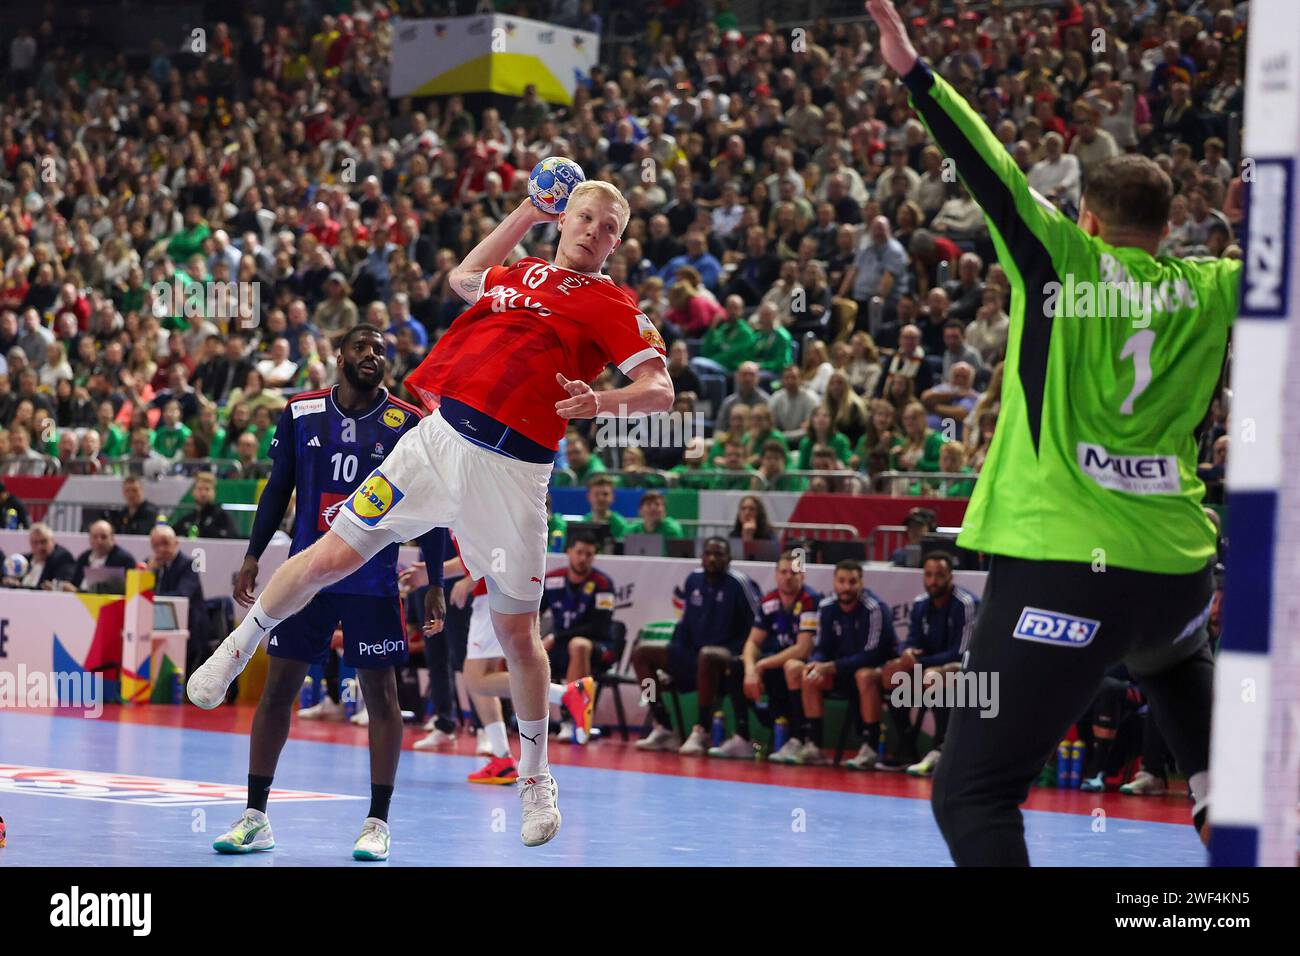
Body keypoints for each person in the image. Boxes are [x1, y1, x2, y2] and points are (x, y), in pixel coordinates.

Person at [187, 183, 673, 849]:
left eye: (607, 226)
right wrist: (529, 211)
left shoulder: (613, 304)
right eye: (583, 216)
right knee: (330, 553)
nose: (592, 230)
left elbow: (660, 390)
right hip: (436, 443)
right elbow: (463, 276)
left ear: (617, 241)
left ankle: (535, 778)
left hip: (513, 473)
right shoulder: (520, 272)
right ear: (567, 220)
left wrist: (602, 403)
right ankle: (236, 648)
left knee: (517, 638)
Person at [869, 0, 1239, 864]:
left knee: (973, 795)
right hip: (1181, 577)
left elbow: (988, 166)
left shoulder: (1062, 259)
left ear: (1091, 220)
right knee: (1187, 699)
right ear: (1170, 223)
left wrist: (915, 71)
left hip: (1066, 575)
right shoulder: (1217, 285)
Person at [194, 324, 448, 862]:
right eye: (361, 347)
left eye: (381, 351)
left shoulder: (409, 423)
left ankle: (377, 823)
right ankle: (255, 816)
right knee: (279, 688)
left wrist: (433, 579)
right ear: (338, 356)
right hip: (306, 574)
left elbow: (427, 506)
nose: (371, 356)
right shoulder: (302, 411)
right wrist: (253, 553)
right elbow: (277, 486)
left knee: (382, 697)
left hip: (372, 579)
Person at [632, 537, 760, 753]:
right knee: (641, 654)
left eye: (718, 554)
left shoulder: (739, 583)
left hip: (727, 655)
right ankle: (663, 724)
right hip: (693, 654)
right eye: (708, 554)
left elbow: (757, 626)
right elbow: (685, 623)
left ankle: (702, 731)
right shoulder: (694, 580)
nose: (712, 559)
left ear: (729, 559)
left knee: (706, 654)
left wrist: (741, 656)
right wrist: (674, 657)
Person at [786, 560, 897, 768]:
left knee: (863, 675)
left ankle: (870, 748)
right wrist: (817, 663)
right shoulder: (827, 607)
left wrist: (830, 667)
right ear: (834, 583)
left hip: (871, 672)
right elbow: (821, 647)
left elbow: (872, 654)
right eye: (842, 581)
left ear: (861, 583)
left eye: (852, 582)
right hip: (839, 671)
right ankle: (814, 745)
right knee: (808, 675)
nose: (846, 587)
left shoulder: (874, 609)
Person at [878, 552, 979, 775]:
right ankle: (906, 747)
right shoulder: (920, 604)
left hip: (970, 672)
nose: (933, 581)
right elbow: (913, 639)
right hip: (928, 669)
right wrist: (907, 652)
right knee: (891, 672)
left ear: (951, 577)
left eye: (939, 575)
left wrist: (920, 662)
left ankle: (941, 748)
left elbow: (961, 652)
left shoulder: (965, 604)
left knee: (934, 675)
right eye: (929, 575)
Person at [735, 550, 820, 762]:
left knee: (792, 665)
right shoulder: (770, 600)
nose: (788, 577)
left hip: (808, 664)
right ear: (776, 575)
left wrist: (762, 665)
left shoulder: (810, 600)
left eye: (793, 572)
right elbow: (753, 642)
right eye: (783, 572)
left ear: (803, 576)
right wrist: (750, 669)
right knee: (737, 665)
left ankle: (798, 738)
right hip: (777, 663)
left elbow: (803, 649)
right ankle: (742, 737)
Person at [540, 529, 614, 742]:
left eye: (589, 554)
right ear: (569, 552)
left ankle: (570, 720)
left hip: (598, 647)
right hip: (561, 644)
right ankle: (515, 718)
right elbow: (535, 612)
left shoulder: (602, 584)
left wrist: (555, 636)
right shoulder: (552, 579)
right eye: (579, 552)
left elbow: (598, 627)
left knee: (578, 645)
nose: (583, 558)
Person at [148, 523, 215, 678]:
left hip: (189, 622)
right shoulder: (152, 565)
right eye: (156, 545)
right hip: (159, 620)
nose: (161, 549)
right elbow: (141, 595)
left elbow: (181, 594)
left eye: (165, 543)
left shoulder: (188, 565)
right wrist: (148, 573)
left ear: (176, 543)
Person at [2, 523, 76, 589]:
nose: (39, 547)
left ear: (52, 541)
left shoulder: (62, 558)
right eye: (35, 542)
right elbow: (10, 578)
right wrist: (10, 581)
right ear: (30, 543)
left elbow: (63, 582)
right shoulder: (24, 559)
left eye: (43, 542)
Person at [68, 520, 137, 590]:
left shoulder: (125, 560)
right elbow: (74, 583)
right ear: (89, 538)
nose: (99, 541)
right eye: (95, 537)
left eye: (103, 537)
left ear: (112, 538)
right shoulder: (84, 558)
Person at [171, 471, 237, 539]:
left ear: (214, 492)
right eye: (200, 489)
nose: (203, 493)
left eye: (207, 489)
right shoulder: (187, 519)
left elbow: (231, 537)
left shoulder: (222, 517)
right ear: (193, 492)